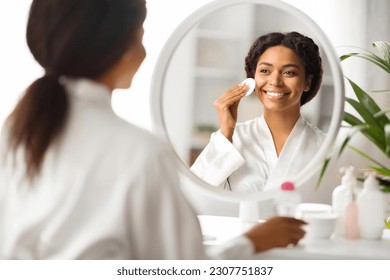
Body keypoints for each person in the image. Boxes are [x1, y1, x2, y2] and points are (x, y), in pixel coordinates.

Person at [0, 0, 306, 259]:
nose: (275, 81)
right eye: (140, 36)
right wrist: (253, 242)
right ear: (121, 47)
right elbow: (181, 269)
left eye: (289, 72)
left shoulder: (15, 131)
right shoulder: (139, 152)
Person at [191, 31, 325, 192]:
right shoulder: (231, 139)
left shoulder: (325, 146)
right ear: (253, 79)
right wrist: (226, 131)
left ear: (307, 83)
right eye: (265, 71)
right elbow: (197, 194)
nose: (275, 81)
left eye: (289, 72)